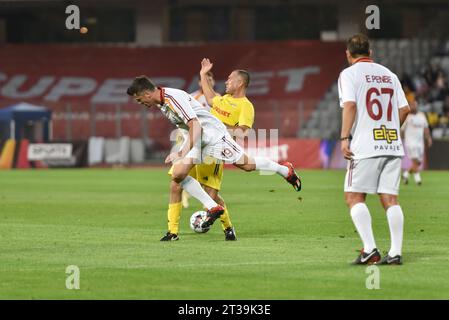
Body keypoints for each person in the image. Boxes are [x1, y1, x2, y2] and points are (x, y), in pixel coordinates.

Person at [127, 76, 301, 241]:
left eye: (139, 100)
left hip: (212, 134)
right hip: (196, 137)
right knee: (178, 175)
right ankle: (209, 209)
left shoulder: (173, 98)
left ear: (146, 93)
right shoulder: (162, 101)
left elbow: (194, 124)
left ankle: (285, 170)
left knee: (246, 165)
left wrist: (181, 152)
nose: (141, 103)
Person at [338, 34, 410, 265]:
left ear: (348, 54)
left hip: (366, 145)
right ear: (370, 53)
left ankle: (370, 249)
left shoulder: (349, 74)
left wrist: (344, 137)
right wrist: (389, 128)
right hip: (391, 143)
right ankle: (396, 253)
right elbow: (405, 109)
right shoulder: (389, 74)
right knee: (390, 198)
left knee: (354, 196)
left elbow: (350, 105)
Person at [167, 70, 241, 241]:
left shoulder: (220, 101)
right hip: (192, 147)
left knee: (210, 196)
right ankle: (172, 232)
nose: (208, 81)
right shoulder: (190, 98)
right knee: (175, 183)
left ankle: (228, 227)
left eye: (211, 78)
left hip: (212, 147)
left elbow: (228, 123)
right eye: (205, 78)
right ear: (200, 82)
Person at [402, 99, 432, 185]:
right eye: (412, 105)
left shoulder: (422, 116)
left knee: (418, 162)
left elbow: (426, 128)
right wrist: (400, 140)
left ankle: (406, 173)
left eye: (415, 105)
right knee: (415, 160)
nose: (414, 106)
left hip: (420, 143)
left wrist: (429, 138)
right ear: (410, 106)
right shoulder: (407, 117)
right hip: (410, 142)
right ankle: (417, 178)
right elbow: (402, 129)